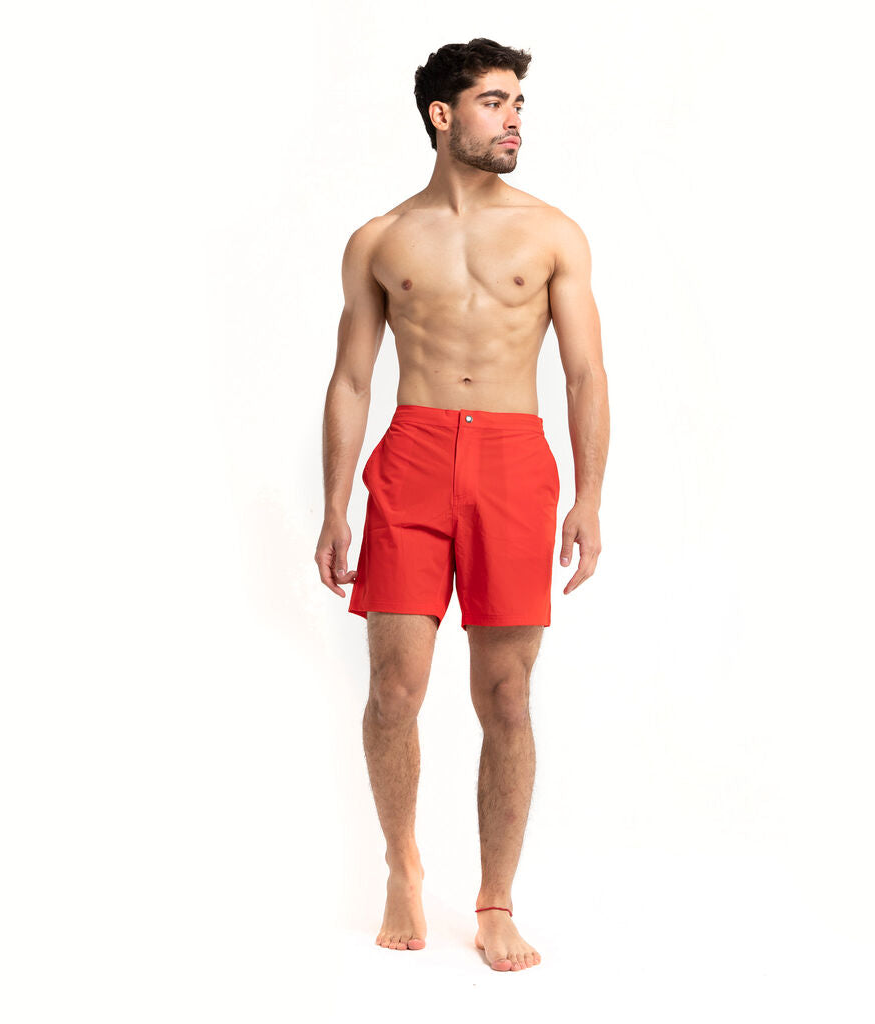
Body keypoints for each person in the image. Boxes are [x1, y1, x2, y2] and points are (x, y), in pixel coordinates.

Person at [315, 38, 609, 972]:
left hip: (515, 460)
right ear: (443, 116)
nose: (514, 118)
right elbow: (352, 378)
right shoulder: (381, 239)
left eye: (519, 102)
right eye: (494, 101)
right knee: (394, 688)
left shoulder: (553, 233)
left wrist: (590, 497)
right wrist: (335, 505)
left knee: (507, 695)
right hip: (412, 454)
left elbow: (586, 373)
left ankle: (494, 901)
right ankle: (402, 862)